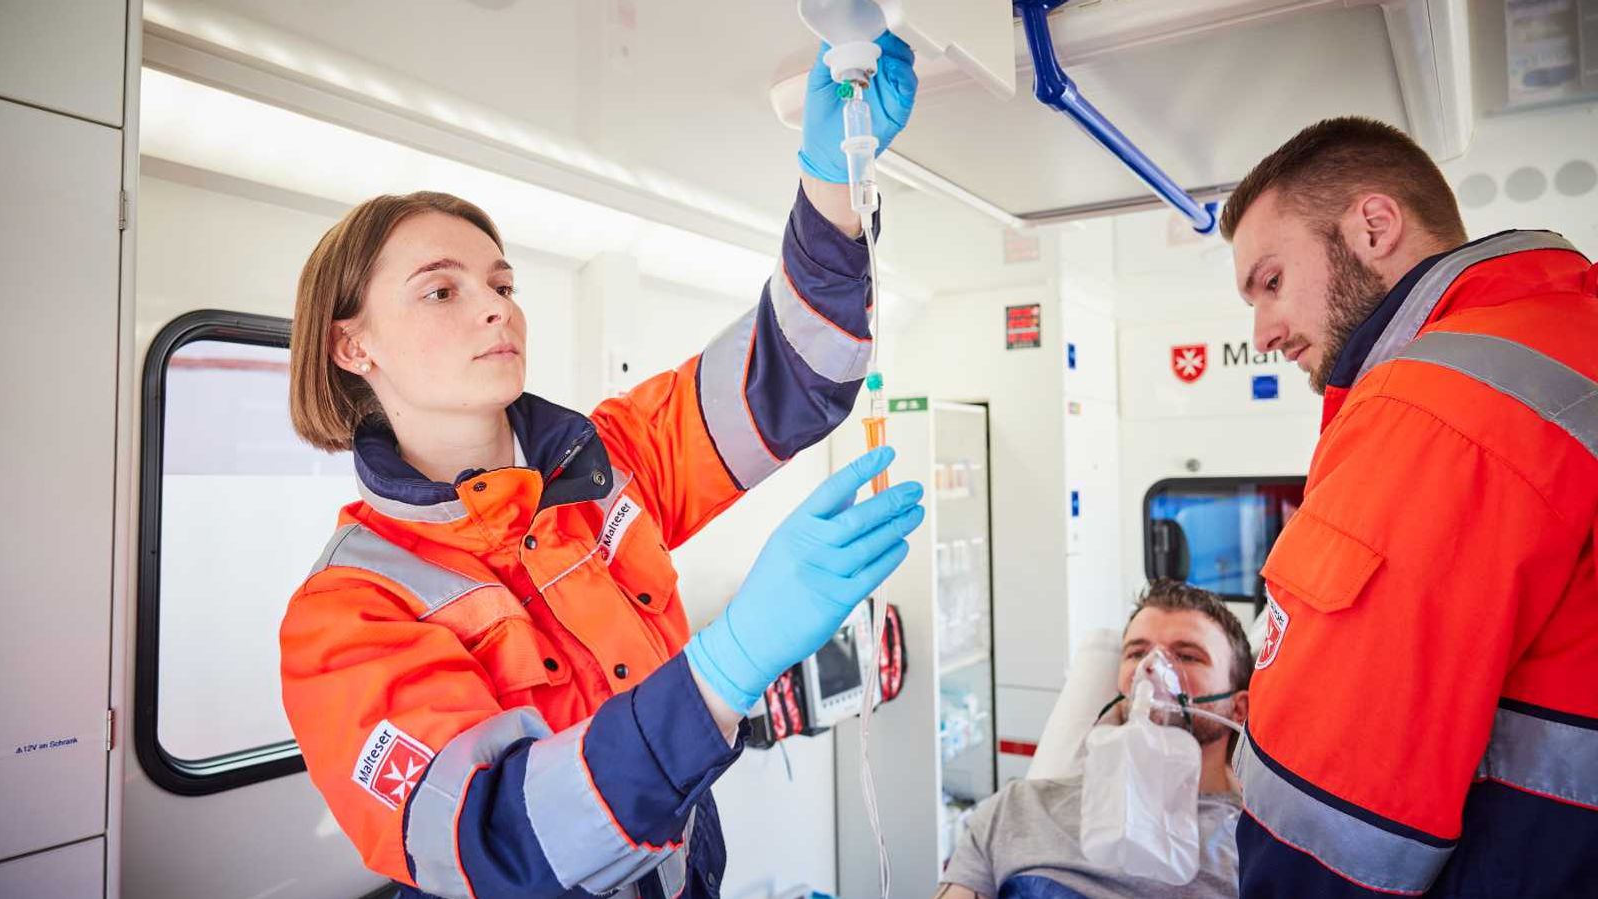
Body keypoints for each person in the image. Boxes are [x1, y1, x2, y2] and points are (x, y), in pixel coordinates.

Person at [278, 36, 922, 899]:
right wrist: (726, 666)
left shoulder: (604, 463)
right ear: (352, 345)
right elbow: (498, 843)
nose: (495, 309)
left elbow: (791, 378)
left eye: (502, 284)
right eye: (443, 290)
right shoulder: (347, 616)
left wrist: (834, 185)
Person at [1221, 116, 1598, 897]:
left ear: (1373, 224)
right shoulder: (1566, 334)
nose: (1260, 331)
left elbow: (1327, 829)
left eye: (1270, 281)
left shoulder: (1435, 403)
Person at [937, 580, 1253, 899]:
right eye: (1137, 653)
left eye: (1187, 656)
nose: (1152, 670)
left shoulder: (1259, 851)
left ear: (1239, 709)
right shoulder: (1017, 809)